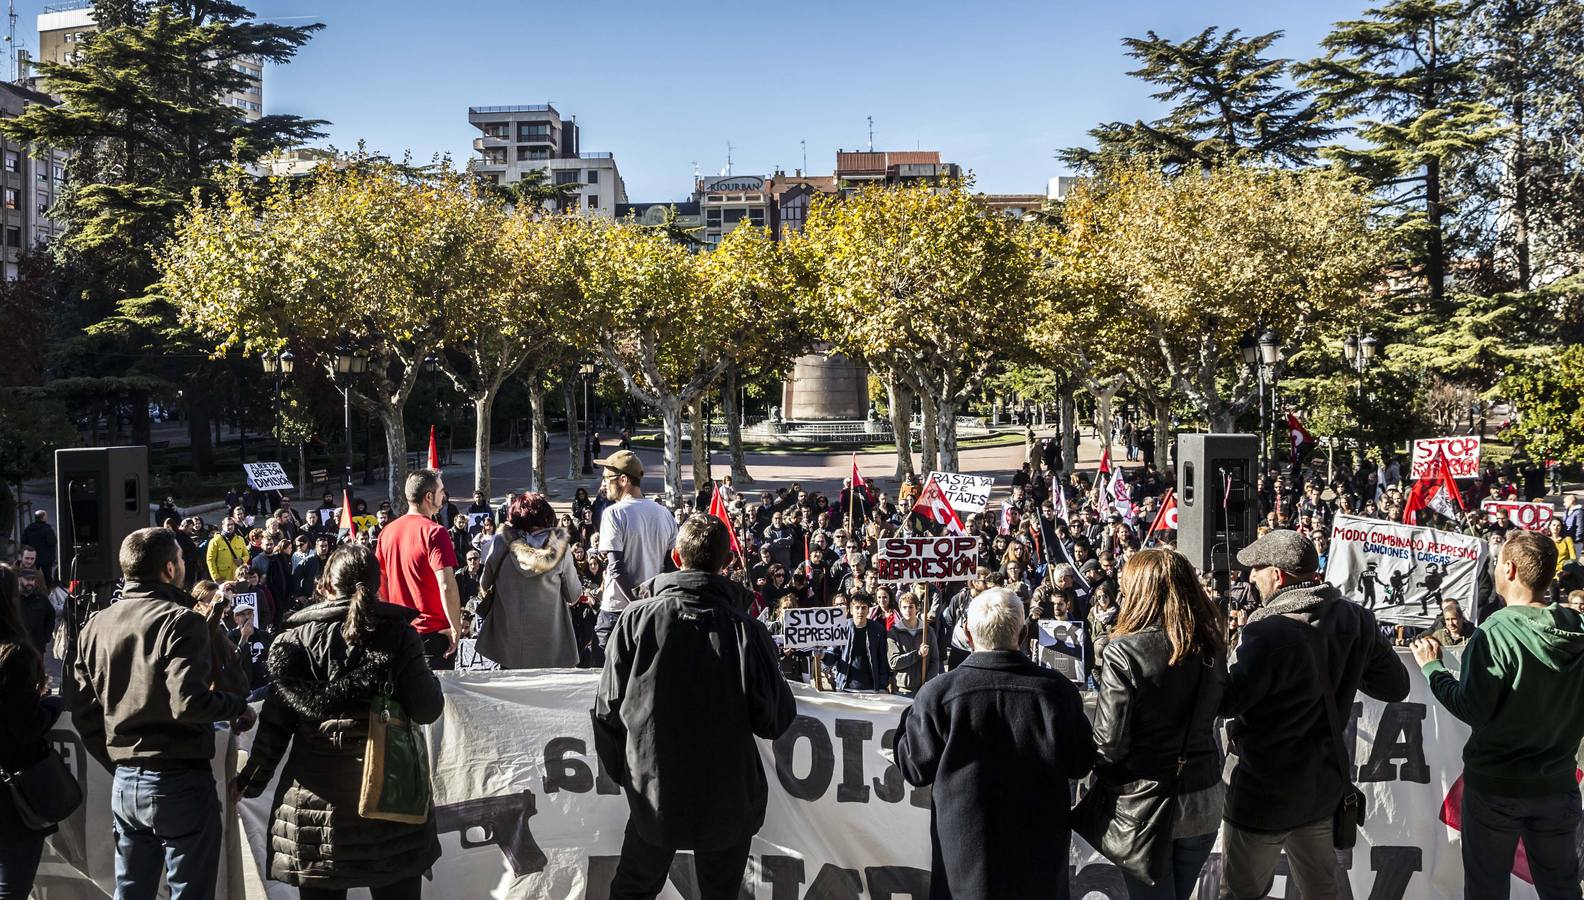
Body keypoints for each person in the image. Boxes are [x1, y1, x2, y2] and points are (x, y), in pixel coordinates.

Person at [594, 515, 796, 900]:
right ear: (724, 564)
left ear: (676, 557)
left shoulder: (635, 620)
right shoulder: (745, 629)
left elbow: (607, 711)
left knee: (633, 890)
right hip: (724, 794)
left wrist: (632, 774)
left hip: (654, 790)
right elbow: (775, 717)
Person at [234, 543, 444, 900]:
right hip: (389, 803)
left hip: (314, 807)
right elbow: (427, 709)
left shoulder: (291, 640)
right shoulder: (398, 635)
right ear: (379, 586)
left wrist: (248, 783)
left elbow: (273, 729)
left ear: (327, 585)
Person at [1217, 530, 1409, 900]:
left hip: (1262, 795)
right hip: (1321, 790)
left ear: (1279, 575)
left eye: (1256, 569)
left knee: (1240, 894)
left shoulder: (1264, 632)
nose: (1249, 578)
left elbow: (1227, 703)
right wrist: (1347, 661)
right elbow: (1393, 686)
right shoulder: (1356, 619)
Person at [73, 527, 254, 900]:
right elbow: (188, 703)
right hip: (178, 781)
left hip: (126, 782)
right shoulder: (180, 621)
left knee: (132, 892)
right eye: (183, 560)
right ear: (170, 569)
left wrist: (118, 759)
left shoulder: (95, 626)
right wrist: (237, 707)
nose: (185, 566)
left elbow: (83, 711)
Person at [1412, 530, 1584, 899]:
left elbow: (1471, 708)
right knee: (1563, 889)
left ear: (1508, 569)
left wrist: (1432, 669)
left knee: (1487, 889)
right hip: (1558, 786)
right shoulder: (1578, 629)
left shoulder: (1494, 633)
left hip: (1496, 790)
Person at [895, 587, 1096, 900]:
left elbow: (914, 766)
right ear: (1023, 634)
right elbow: (1081, 762)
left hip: (965, 864)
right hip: (1038, 859)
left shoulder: (939, 694)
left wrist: (913, 712)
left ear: (968, 636)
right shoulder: (1056, 691)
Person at [1088, 549, 1227, 899]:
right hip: (1203, 799)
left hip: (1144, 805)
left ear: (1140, 592)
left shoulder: (1124, 651)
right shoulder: (1211, 644)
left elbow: (1109, 745)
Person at [0, 563, 64, 898]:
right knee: (12, 887)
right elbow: (27, 727)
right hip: (12, 795)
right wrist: (52, 704)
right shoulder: (14, 655)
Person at [476, 493, 582, 669]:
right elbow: (573, 595)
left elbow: (484, 584)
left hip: (507, 645)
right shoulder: (559, 547)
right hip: (551, 647)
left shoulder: (501, 543)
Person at [592, 450, 678, 666]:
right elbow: (670, 566)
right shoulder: (664, 513)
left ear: (623, 480)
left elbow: (616, 568)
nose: (604, 484)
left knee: (602, 679)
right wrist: (651, 602)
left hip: (617, 611)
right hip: (653, 610)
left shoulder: (614, 513)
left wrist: (637, 604)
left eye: (607, 479)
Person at [375, 469, 463, 670]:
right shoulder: (435, 532)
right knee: (435, 698)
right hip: (433, 633)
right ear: (429, 496)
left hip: (399, 632)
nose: (444, 494)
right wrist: (455, 626)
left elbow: (381, 583)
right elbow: (446, 584)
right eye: (441, 490)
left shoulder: (387, 532)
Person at [824, 593, 889, 692]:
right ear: (850, 610)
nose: (860, 611)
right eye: (857, 608)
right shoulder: (842, 628)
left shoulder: (878, 630)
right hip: (845, 687)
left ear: (868, 610)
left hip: (871, 688)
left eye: (863, 608)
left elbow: (883, 660)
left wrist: (882, 686)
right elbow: (833, 654)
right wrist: (822, 656)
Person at [888, 591, 936, 696]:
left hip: (923, 688)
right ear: (900, 609)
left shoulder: (927, 631)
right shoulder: (894, 632)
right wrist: (918, 654)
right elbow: (893, 663)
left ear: (917, 608)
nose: (907, 610)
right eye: (904, 607)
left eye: (911, 607)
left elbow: (934, 660)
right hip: (902, 690)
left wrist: (928, 682)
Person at [205, 516, 248, 584]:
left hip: (238, 577)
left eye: (232, 524)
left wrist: (241, 560)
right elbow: (210, 560)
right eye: (228, 525)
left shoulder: (240, 539)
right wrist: (216, 577)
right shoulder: (215, 541)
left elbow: (246, 555)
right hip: (223, 579)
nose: (230, 527)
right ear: (223, 526)